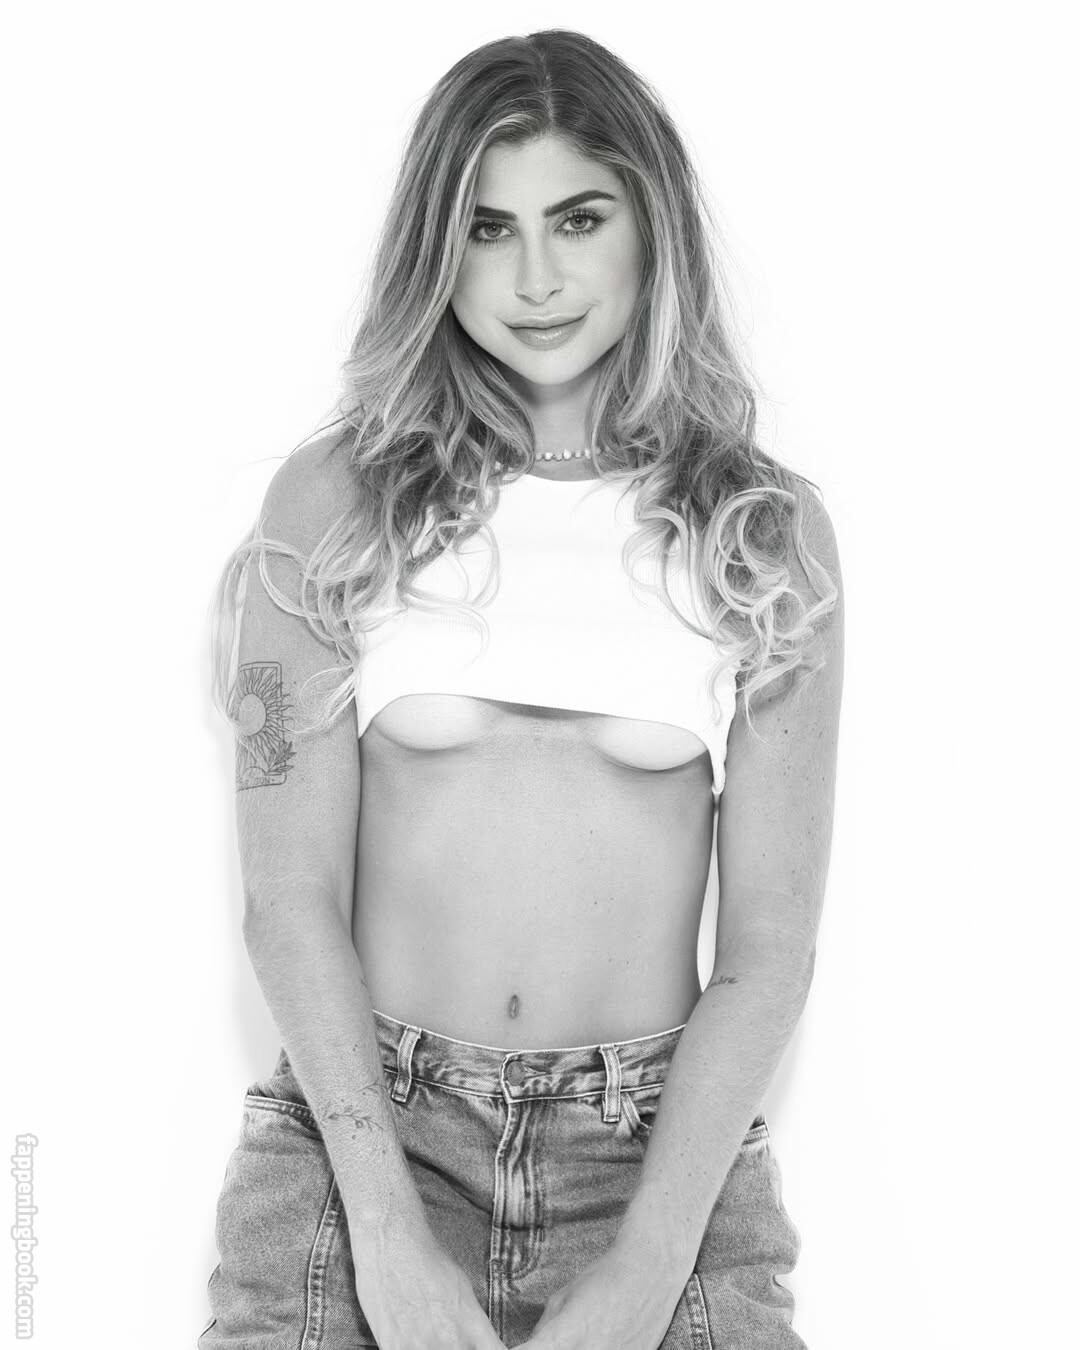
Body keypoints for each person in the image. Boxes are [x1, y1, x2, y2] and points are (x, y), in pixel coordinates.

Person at [200, 27, 843, 1350]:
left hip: (654, 1158)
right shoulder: (332, 504)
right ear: (437, 252)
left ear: (650, 226)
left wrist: (649, 1262)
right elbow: (287, 899)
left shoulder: (761, 536)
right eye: (487, 229)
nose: (535, 278)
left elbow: (769, 954)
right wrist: (386, 1235)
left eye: (578, 219)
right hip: (365, 1137)